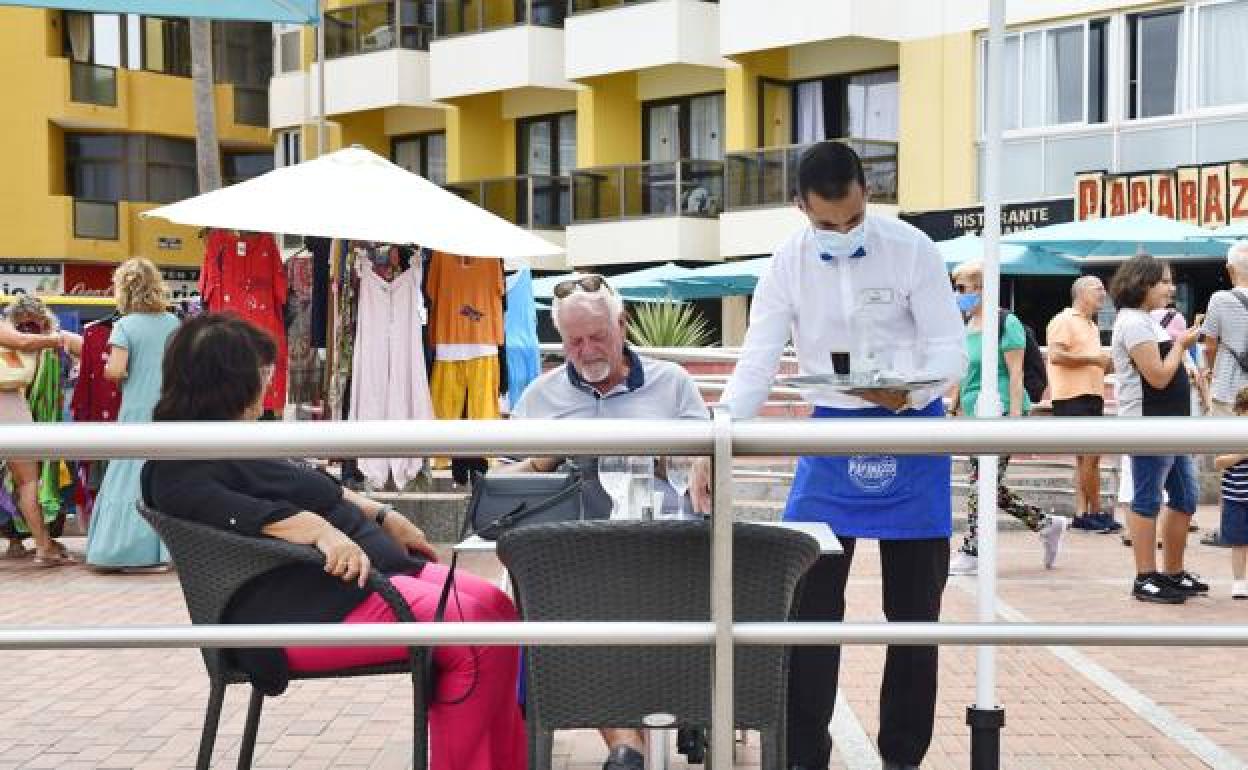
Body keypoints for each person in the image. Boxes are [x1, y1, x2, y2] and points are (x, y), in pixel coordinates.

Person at [141, 315, 526, 770]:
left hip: (356, 580)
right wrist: (319, 530)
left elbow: (315, 485)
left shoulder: (231, 438)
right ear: (227, 381)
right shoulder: (175, 461)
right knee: (474, 633)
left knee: (500, 612)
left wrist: (383, 514)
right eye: (260, 372)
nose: (268, 382)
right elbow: (239, 512)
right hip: (300, 609)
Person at [694, 141, 967, 770]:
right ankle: (803, 754)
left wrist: (910, 390)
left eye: (850, 217)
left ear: (866, 193)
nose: (840, 231)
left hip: (912, 430)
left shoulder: (913, 249)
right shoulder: (786, 262)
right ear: (799, 207)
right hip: (829, 435)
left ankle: (902, 757)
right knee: (809, 611)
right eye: (825, 223)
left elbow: (950, 349)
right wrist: (720, 432)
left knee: (914, 614)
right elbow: (758, 357)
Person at [506, 274, 708, 770]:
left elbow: (704, 465)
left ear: (623, 325)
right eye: (575, 341)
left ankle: (631, 744)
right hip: (575, 552)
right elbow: (504, 481)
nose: (587, 349)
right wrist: (544, 459)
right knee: (567, 603)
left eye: (598, 336)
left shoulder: (671, 383)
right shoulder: (540, 396)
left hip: (661, 548)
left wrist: (668, 456)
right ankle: (627, 744)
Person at [947, 261, 1068, 575]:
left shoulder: (1005, 322)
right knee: (986, 485)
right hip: (973, 415)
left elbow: (1015, 375)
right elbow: (963, 372)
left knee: (980, 484)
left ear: (983, 289)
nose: (958, 295)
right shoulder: (965, 324)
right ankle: (1045, 523)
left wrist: (1014, 419)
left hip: (999, 413)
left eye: (963, 288)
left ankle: (973, 550)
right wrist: (955, 406)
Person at [1109, 252, 1206, 604]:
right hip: (1149, 424)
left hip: (1171, 424)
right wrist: (1181, 345)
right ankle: (1145, 576)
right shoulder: (1133, 323)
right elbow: (1159, 376)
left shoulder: (1148, 321)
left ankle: (1173, 572)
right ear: (1142, 283)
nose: (1170, 287)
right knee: (1147, 498)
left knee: (1185, 498)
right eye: (1163, 281)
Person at [86, 258, 182, 569]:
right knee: (165, 476)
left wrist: (108, 370)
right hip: (169, 409)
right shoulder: (173, 323)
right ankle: (165, 551)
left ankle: (123, 551)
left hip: (136, 409)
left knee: (128, 476)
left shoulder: (124, 326)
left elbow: (115, 370)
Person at [0, 296, 80, 566]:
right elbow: (22, 342)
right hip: (9, 407)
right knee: (28, 482)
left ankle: (44, 542)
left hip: (14, 406)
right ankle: (44, 546)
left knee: (26, 483)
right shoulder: (28, 338)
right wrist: (56, 339)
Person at [1046, 275, 1119, 533]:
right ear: (1080, 293)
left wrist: (1104, 362)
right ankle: (1096, 511)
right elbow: (1055, 355)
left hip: (1091, 394)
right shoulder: (1064, 320)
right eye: (1097, 288)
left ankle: (1083, 512)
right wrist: (1093, 359)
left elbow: (1090, 359)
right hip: (1072, 395)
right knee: (1089, 457)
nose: (1103, 293)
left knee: (1087, 459)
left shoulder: (1092, 325)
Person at [1199, 241, 1248, 546]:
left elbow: (1209, 343)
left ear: (1230, 271)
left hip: (1230, 389)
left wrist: (1211, 371)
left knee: (1228, 461)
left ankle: (1229, 528)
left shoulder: (1220, 299)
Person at [1213, 386, 1248, 599]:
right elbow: (1218, 462)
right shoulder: (1230, 432)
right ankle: (1238, 582)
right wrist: (1241, 454)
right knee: (1238, 542)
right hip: (1235, 497)